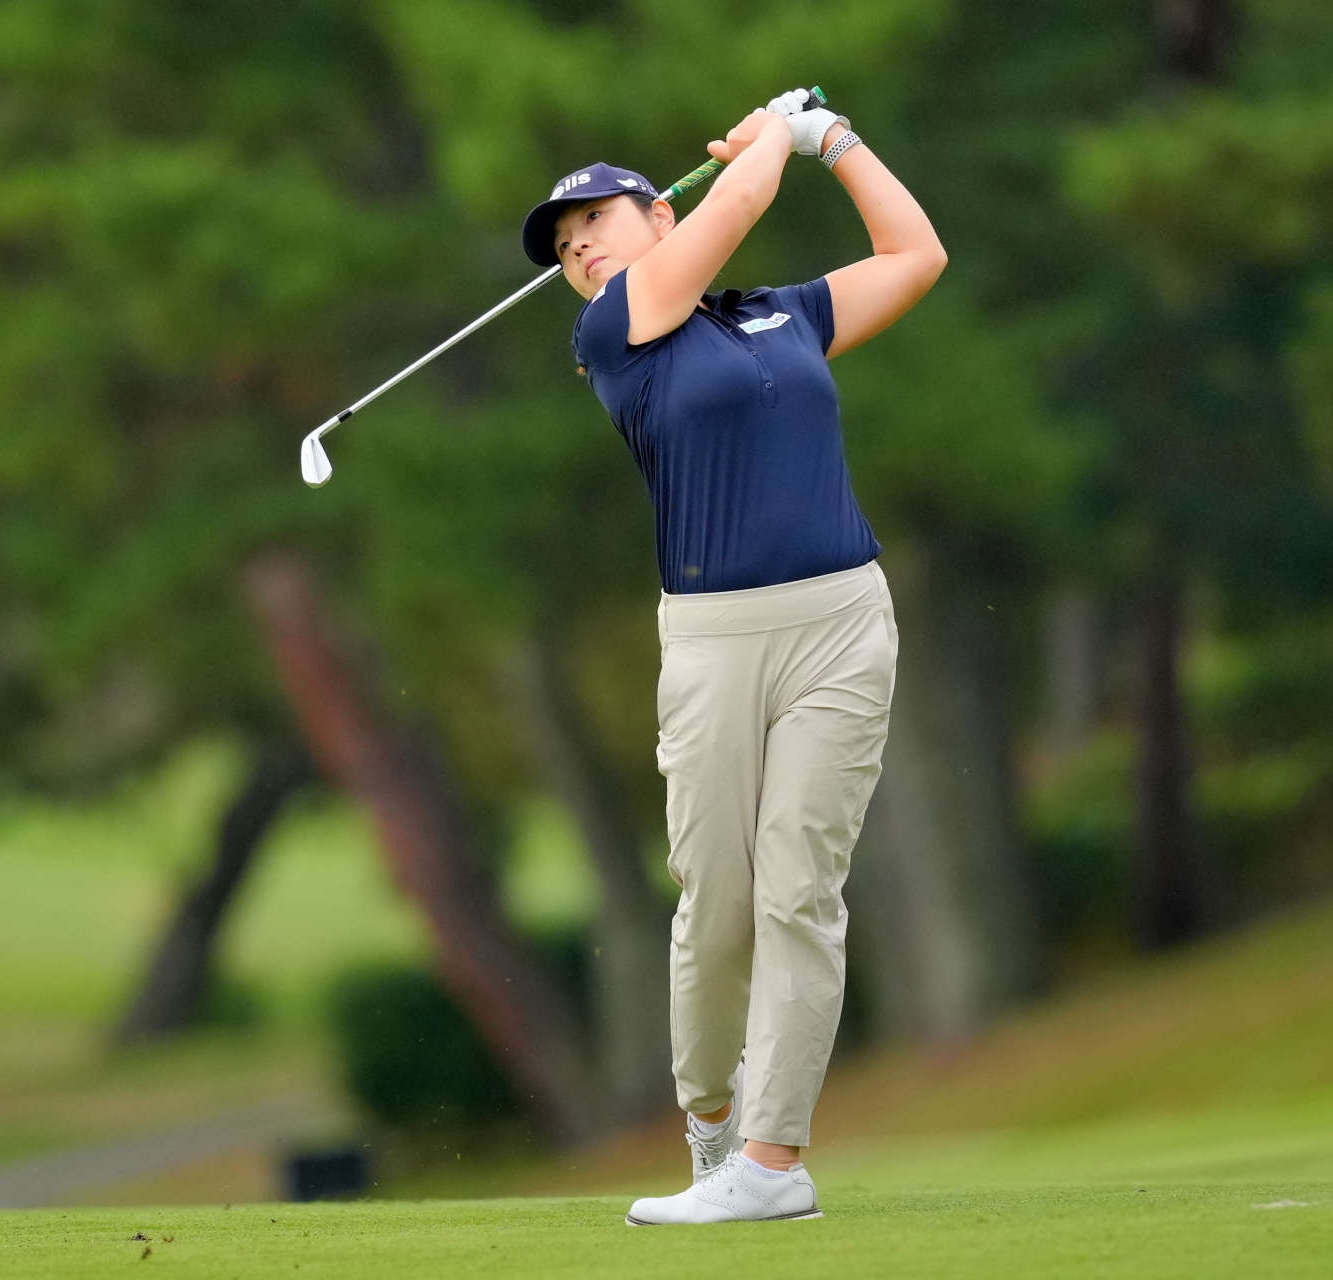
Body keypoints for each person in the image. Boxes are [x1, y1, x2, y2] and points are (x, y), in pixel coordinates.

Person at [517, 89, 946, 1224]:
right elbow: (746, 196)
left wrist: (839, 140)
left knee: (801, 890)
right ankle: (711, 1118)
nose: (580, 253)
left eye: (596, 224)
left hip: (843, 623)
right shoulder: (614, 334)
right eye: (565, 250)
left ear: (660, 211)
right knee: (717, 903)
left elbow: (916, 252)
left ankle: (771, 1161)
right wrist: (773, 140)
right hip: (712, 642)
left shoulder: (783, 316)